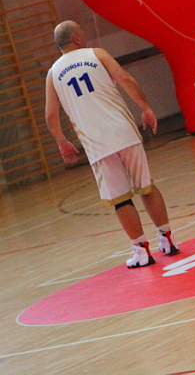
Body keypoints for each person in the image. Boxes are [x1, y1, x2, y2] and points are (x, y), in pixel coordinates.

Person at [44, 21, 179, 268]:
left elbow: (51, 115)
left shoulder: (53, 74)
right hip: (123, 131)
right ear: (77, 39)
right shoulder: (97, 54)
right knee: (146, 187)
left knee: (121, 199)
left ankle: (141, 251)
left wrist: (61, 141)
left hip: (97, 143)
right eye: (81, 31)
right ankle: (167, 239)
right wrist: (145, 107)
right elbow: (124, 78)